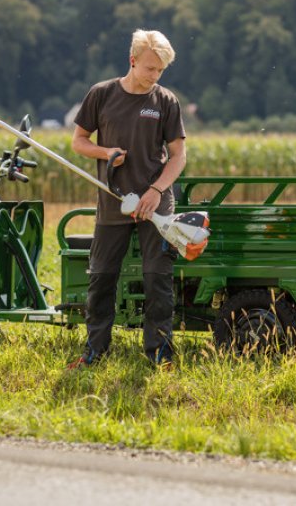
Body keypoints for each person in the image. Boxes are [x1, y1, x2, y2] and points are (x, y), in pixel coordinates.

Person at [68, 29, 186, 368]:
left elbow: (178, 156)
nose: (154, 77)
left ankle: (159, 355)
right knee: (101, 279)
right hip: (113, 202)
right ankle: (94, 352)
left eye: (160, 71)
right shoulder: (101, 94)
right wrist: (106, 152)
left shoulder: (165, 101)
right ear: (132, 61)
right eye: (149, 68)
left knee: (158, 283)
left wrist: (156, 191)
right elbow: (78, 141)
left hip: (156, 205)